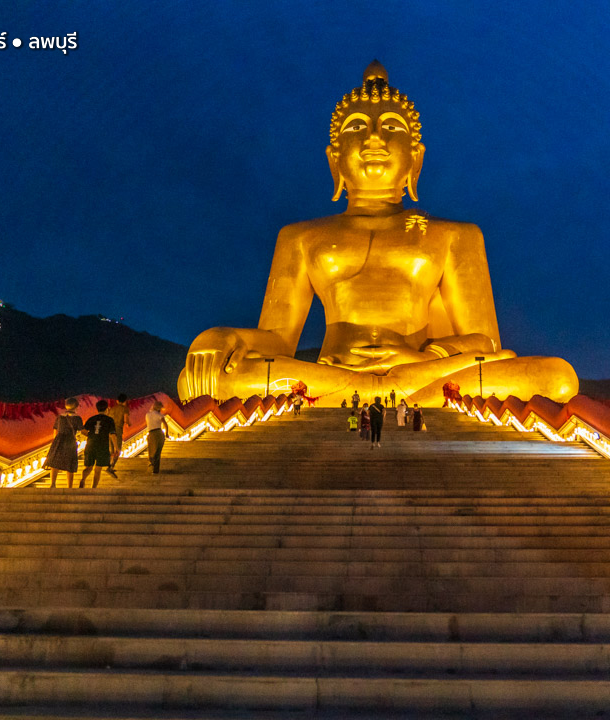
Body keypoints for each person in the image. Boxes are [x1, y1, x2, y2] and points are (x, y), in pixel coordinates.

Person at [177, 61, 579, 407]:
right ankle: (396, 392)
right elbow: (277, 342)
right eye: (356, 127)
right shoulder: (300, 237)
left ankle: (379, 388)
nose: (374, 137)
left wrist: (427, 355)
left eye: (391, 126)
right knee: (208, 377)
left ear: (415, 159)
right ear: (334, 160)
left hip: (420, 369)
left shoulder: (453, 235)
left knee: (557, 376)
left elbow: (486, 343)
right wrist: (220, 336)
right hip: (345, 372)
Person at [44, 398, 83, 488]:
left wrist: (55, 441)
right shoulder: (77, 418)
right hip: (70, 441)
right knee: (70, 462)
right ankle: (69, 486)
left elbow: (55, 429)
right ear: (76, 406)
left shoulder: (60, 417)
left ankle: (53, 483)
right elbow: (82, 430)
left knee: (55, 462)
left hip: (59, 440)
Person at [81, 400, 117, 489]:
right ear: (107, 409)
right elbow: (112, 434)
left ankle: (83, 480)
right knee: (98, 469)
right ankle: (94, 487)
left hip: (91, 444)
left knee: (89, 467)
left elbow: (83, 431)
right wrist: (116, 447)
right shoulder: (109, 420)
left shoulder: (92, 418)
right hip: (102, 446)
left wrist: (91, 435)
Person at [106, 393, 130, 478]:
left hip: (109, 430)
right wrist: (129, 424)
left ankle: (108, 466)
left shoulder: (112, 409)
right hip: (117, 430)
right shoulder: (125, 409)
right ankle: (111, 466)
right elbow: (126, 419)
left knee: (111, 449)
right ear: (125, 401)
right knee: (118, 450)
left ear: (117, 401)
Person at [145, 400, 168, 474]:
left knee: (151, 450)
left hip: (150, 433)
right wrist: (167, 433)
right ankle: (155, 470)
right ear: (159, 408)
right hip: (158, 433)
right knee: (157, 452)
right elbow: (165, 424)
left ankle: (151, 464)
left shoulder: (147, 414)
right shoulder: (159, 415)